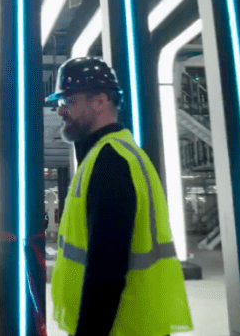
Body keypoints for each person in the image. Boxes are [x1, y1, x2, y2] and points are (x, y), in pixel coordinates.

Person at [48, 57, 193, 336]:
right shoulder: (111, 153)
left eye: (69, 100)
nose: (61, 110)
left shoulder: (111, 160)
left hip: (122, 326)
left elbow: (107, 266)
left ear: (100, 101)